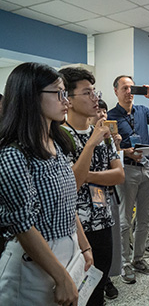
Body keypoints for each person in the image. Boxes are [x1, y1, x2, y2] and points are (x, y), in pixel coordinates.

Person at [0, 62, 93, 306]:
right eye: (59, 93)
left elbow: (66, 201)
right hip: (33, 263)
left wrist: (83, 245)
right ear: (31, 96)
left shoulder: (57, 143)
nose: (66, 101)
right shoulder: (14, 154)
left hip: (66, 249)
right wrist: (61, 278)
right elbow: (24, 226)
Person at [59, 67, 125, 306]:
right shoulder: (60, 136)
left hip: (103, 220)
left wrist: (86, 175)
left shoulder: (102, 132)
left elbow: (118, 175)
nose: (95, 97)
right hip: (75, 228)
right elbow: (71, 184)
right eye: (87, 93)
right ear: (68, 98)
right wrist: (90, 146)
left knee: (98, 286)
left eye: (94, 91)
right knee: (77, 293)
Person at [107, 76, 149, 284]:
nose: (129, 92)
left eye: (131, 88)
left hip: (146, 167)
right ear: (116, 91)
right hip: (127, 170)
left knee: (145, 217)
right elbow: (109, 147)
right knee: (125, 219)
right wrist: (124, 152)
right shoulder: (111, 117)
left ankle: (139, 259)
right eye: (124, 88)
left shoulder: (142, 111)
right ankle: (124, 263)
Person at [89, 98, 122, 300]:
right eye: (98, 111)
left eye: (104, 111)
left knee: (107, 249)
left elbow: (118, 175)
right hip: (84, 210)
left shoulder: (108, 139)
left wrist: (116, 146)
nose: (101, 115)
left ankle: (107, 280)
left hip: (105, 199)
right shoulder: (71, 137)